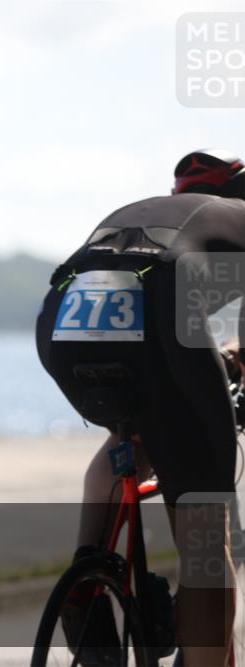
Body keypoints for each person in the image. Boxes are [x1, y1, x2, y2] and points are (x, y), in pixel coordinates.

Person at [35, 148, 245, 666]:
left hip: (63, 319)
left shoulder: (159, 213)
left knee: (133, 435)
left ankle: (88, 574)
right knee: (205, 528)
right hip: (160, 306)